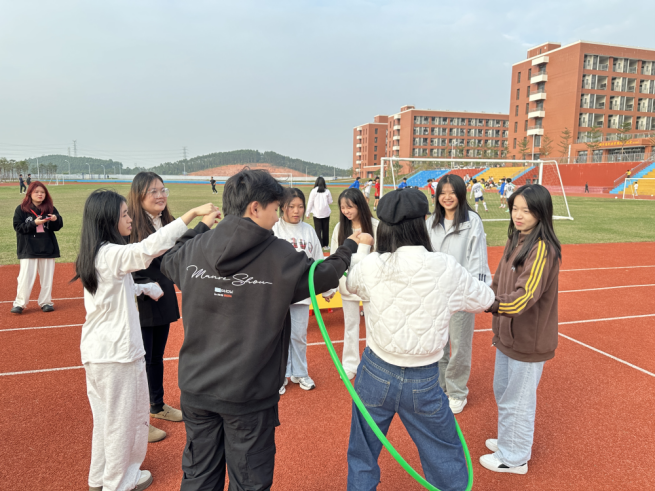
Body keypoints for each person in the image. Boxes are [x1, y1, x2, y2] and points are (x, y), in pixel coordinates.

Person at [160, 169, 366, 491]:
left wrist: (201, 227)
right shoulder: (279, 255)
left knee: (199, 477)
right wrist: (349, 246)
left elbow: (169, 258)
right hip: (249, 394)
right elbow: (324, 275)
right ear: (255, 208)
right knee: (250, 481)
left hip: (197, 387)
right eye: (275, 208)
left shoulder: (197, 247)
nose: (278, 215)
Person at [345, 188, 494, 491]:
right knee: (444, 453)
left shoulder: (372, 265)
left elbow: (350, 285)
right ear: (423, 221)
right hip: (424, 379)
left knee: (363, 453)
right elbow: (485, 299)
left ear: (384, 227)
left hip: (375, 372)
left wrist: (362, 249)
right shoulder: (446, 266)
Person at [73, 189, 217, 491]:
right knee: (123, 422)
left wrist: (143, 288)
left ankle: (100, 477)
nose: (129, 219)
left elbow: (111, 292)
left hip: (98, 353)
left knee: (106, 419)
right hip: (118, 356)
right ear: (108, 220)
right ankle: (118, 482)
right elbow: (148, 248)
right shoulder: (112, 254)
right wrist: (191, 215)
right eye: (124, 214)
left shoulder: (96, 254)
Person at [480, 184, 561, 475]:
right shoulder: (516, 239)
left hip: (528, 340)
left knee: (518, 399)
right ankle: (509, 439)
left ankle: (514, 458)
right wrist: (482, 295)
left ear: (541, 213)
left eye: (526, 210)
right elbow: (498, 281)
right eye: (515, 208)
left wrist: (488, 303)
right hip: (507, 335)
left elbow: (524, 298)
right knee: (504, 391)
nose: (518, 215)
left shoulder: (542, 249)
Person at [128, 172, 200, 444]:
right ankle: (138, 421)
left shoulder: (168, 222)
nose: (160, 196)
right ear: (139, 196)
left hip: (164, 296)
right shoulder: (131, 224)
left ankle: (157, 405)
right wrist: (144, 285)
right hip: (142, 300)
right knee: (140, 361)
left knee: (156, 357)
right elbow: (131, 263)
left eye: (163, 190)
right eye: (153, 191)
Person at [426, 175, 491, 414]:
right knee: (438, 344)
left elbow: (478, 258)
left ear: (461, 194)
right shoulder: (431, 222)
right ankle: (441, 386)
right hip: (436, 294)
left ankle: (457, 391)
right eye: (442, 192)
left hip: (461, 293)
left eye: (452, 192)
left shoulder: (471, 221)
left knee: (460, 345)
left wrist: (477, 291)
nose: (447, 197)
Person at [273, 188, 326, 393]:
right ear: (282, 207)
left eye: (300, 206)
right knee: (279, 336)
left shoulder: (308, 230)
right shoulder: (275, 228)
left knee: (299, 335)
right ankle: (280, 375)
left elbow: (319, 260)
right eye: (291, 206)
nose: (296, 211)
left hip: (302, 292)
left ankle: (300, 373)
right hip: (278, 293)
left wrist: (327, 288)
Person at [326, 188, 379, 379]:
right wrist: (331, 286)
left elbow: (381, 256)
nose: (346, 211)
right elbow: (334, 257)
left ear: (360, 205)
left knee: (373, 326)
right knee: (350, 326)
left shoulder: (376, 226)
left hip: (370, 286)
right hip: (347, 284)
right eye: (343, 208)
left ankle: (373, 365)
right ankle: (350, 364)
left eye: (350, 207)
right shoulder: (340, 228)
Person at [11, 181, 63, 314]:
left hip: (47, 247)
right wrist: (34, 223)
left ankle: (46, 302)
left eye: (42, 192)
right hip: (28, 248)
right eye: (37, 192)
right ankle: (20, 303)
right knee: (25, 278)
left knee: (47, 278)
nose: (40, 194)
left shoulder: (50, 208)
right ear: (30, 194)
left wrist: (55, 219)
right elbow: (18, 227)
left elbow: (58, 226)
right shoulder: (21, 209)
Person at [305, 176, 333, 250]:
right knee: (325, 230)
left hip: (317, 214)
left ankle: (319, 245)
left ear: (316, 182)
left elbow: (310, 202)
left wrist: (307, 213)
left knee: (318, 230)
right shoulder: (327, 191)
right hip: (326, 213)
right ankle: (325, 245)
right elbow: (330, 201)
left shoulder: (313, 191)